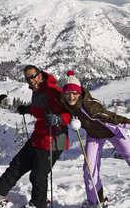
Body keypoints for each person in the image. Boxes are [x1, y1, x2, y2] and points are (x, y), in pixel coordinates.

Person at [0, 65, 71, 208]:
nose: (31, 80)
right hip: (39, 136)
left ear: (40, 75)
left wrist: (59, 120)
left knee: (38, 176)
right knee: (17, 164)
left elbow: (67, 112)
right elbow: (42, 109)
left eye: (33, 76)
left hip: (54, 139)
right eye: (28, 78)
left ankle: (38, 204)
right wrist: (28, 109)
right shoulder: (38, 90)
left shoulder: (53, 91)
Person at [60, 71, 130, 208]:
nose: (71, 96)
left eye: (74, 92)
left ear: (80, 92)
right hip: (94, 136)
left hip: (113, 132)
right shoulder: (66, 103)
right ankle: (95, 201)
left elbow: (112, 118)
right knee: (89, 169)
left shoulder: (90, 107)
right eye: (68, 93)